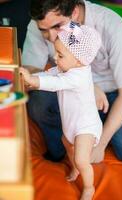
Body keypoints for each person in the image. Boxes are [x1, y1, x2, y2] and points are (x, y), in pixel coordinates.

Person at [22, 0, 122, 165]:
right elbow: (31, 71)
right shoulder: (41, 22)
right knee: (39, 100)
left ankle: (98, 131)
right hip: (70, 86)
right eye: (44, 31)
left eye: (57, 26)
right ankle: (60, 150)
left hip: (113, 95)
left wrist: (100, 146)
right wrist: (88, 86)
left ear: (74, 12)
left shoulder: (112, 26)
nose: (52, 37)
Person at [20, 21, 102, 200]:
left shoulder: (78, 77)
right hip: (71, 124)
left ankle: (89, 187)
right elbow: (50, 74)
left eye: (60, 55)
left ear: (79, 60)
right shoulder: (68, 66)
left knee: (81, 159)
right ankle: (74, 168)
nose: (55, 58)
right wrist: (33, 78)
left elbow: (56, 82)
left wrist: (33, 81)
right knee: (67, 144)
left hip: (86, 126)